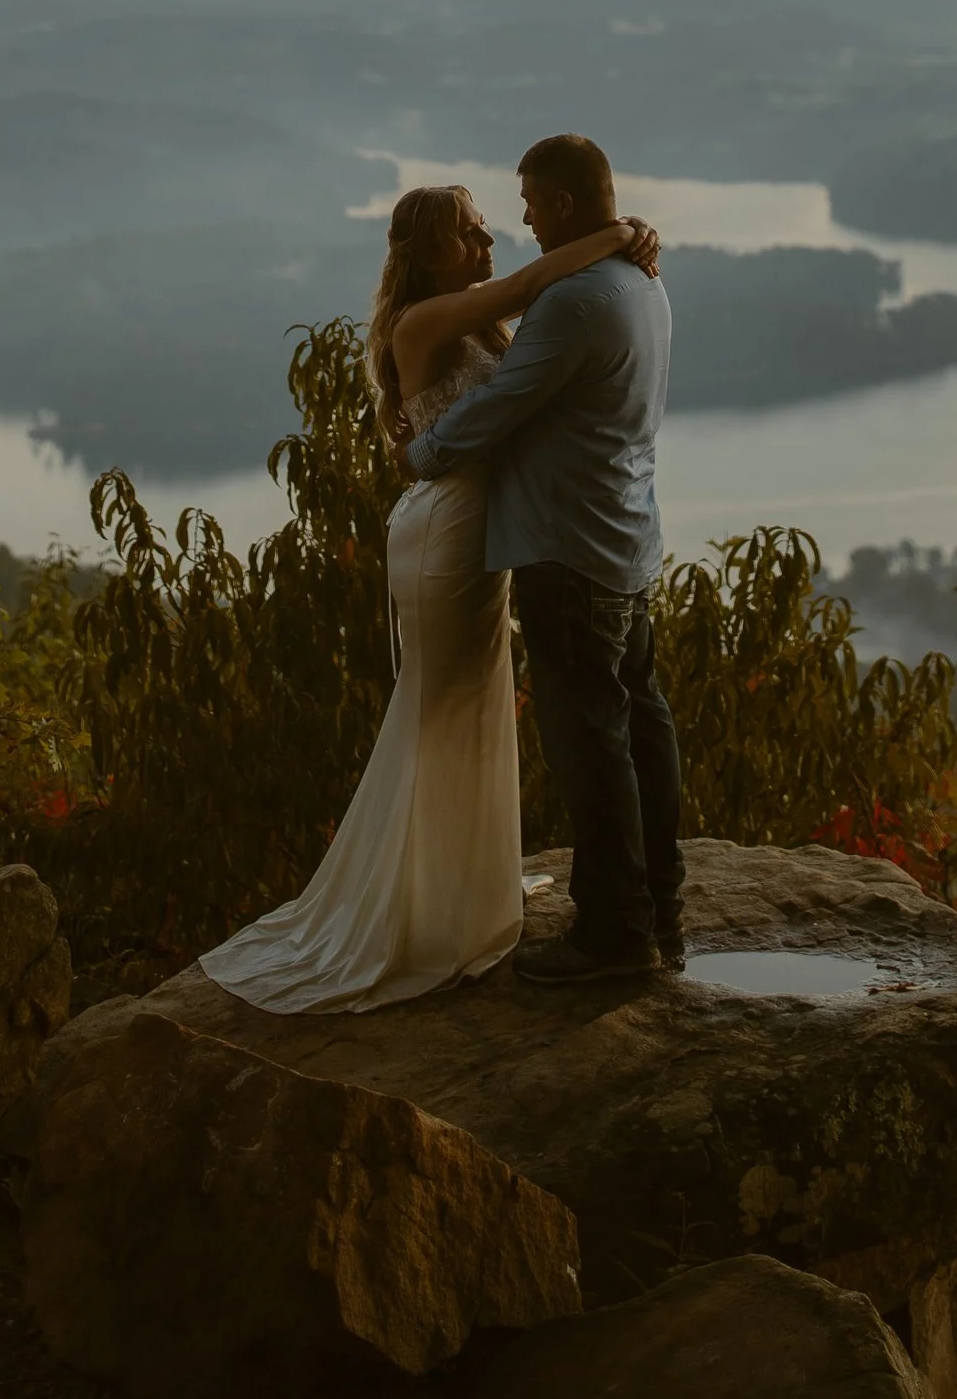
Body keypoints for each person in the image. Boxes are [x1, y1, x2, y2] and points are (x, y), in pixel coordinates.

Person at [200, 177, 657, 1014]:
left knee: (473, 706)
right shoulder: (424, 322)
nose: (489, 245)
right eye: (471, 234)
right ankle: (411, 910)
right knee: (439, 704)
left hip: (477, 531)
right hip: (446, 530)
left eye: (487, 230)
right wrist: (621, 231)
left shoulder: (476, 318)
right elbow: (529, 284)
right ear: (426, 252)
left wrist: (620, 240)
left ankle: (462, 890)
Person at [402, 131, 682, 982]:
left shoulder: (572, 302)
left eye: (526, 206)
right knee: (640, 728)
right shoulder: (640, 282)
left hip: (567, 549)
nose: (520, 223)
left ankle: (613, 936)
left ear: (561, 203)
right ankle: (658, 911)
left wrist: (417, 454)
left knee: (590, 743)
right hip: (625, 538)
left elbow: (495, 412)